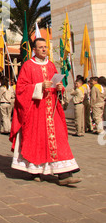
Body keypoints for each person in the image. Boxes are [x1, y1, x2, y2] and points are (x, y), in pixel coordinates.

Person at [10, 38, 81, 186]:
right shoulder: (28, 66)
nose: (44, 49)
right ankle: (35, 171)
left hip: (52, 111)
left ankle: (64, 174)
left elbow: (56, 83)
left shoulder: (50, 65)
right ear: (34, 50)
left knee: (59, 139)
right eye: (40, 47)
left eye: (45, 47)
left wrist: (59, 88)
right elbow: (21, 89)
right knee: (38, 142)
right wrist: (39, 86)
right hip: (35, 111)